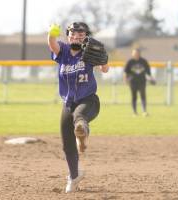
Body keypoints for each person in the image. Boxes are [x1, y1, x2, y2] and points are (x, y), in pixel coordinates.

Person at [47, 22, 109, 193]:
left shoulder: (89, 52)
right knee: (67, 144)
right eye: (73, 33)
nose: (77, 36)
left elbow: (105, 69)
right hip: (68, 103)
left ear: (85, 36)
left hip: (88, 100)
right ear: (68, 36)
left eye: (81, 34)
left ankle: (81, 132)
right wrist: (51, 34)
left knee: (79, 117)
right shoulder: (63, 51)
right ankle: (74, 176)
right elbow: (52, 45)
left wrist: (104, 60)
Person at [124, 48, 155, 117]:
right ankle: (134, 112)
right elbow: (126, 72)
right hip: (133, 82)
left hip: (142, 81)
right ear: (132, 54)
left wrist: (151, 78)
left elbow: (148, 72)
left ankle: (144, 111)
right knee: (134, 97)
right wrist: (126, 80)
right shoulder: (130, 62)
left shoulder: (143, 61)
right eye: (134, 53)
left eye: (137, 53)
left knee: (143, 96)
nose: (136, 54)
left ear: (139, 54)